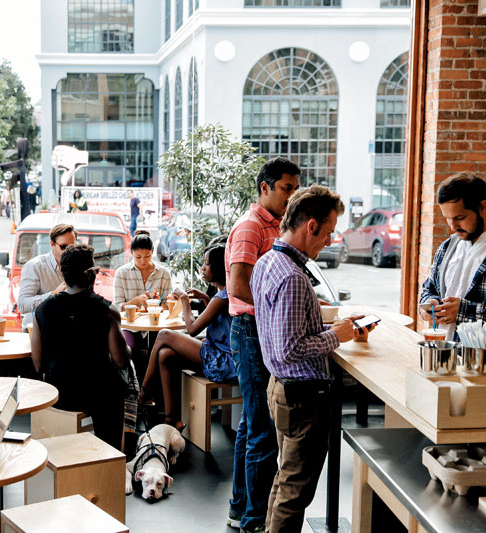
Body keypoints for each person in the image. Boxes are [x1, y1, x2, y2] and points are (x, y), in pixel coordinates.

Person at [251, 185, 372, 532]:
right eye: (330, 231)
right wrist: (338, 335)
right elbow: (292, 349)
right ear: (312, 226)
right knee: (295, 491)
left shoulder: (267, 263)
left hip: (281, 391)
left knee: (285, 479)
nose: (329, 241)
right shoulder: (293, 276)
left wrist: (327, 324)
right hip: (303, 398)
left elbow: (282, 330)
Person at [225, 157, 300, 532]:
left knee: (251, 424)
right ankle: (254, 520)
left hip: (259, 329)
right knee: (262, 429)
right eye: (286, 188)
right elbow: (238, 286)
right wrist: (280, 308)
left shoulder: (275, 225)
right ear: (265, 187)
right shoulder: (251, 227)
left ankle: (240, 508)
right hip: (251, 331)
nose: (292, 195)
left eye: (294, 188)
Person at [30, 244, 130, 449]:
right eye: (95, 270)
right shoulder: (107, 310)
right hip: (97, 394)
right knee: (119, 385)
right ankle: (110, 454)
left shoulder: (42, 310)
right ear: (89, 274)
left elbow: (38, 364)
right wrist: (129, 348)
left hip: (58, 392)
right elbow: (121, 360)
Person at [139, 244, 235, 430]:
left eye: (207, 264)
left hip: (224, 362)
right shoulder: (221, 295)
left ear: (219, 267)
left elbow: (192, 329)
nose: (202, 268)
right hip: (220, 354)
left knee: (164, 334)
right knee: (165, 354)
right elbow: (216, 319)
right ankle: (172, 420)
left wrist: (184, 300)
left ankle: (144, 392)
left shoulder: (222, 298)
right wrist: (205, 299)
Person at [419, 173, 486, 361]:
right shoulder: (448, 247)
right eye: (447, 218)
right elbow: (429, 288)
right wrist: (429, 305)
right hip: (445, 360)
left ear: (482, 207)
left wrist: (465, 312)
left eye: (460, 217)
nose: (453, 227)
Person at [113, 230, 172, 370]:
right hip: (131, 326)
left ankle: (152, 388)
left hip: (157, 326)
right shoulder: (122, 273)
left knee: (160, 351)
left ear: (152, 252)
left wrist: (158, 304)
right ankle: (138, 387)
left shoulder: (163, 273)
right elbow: (117, 307)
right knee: (132, 350)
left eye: (147, 256)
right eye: (138, 256)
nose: (143, 261)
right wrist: (136, 301)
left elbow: (168, 306)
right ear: (131, 253)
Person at [17, 224, 77, 331]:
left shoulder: (77, 265)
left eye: (72, 247)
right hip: (37, 330)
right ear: (52, 244)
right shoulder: (35, 267)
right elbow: (22, 305)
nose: (68, 251)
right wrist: (53, 294)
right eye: (63, 246)